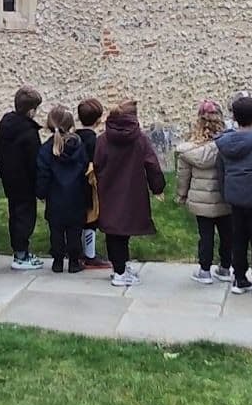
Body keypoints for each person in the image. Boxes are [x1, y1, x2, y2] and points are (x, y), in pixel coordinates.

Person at [94, 100, 165, 287]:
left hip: (108, 189)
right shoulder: (139, 139)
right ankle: (120, 271)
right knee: (123, 230)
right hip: (132, 190)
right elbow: (152, 164)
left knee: (113, 229)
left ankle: (120, 267)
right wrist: (157, 187)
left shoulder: (102, 139)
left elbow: (96, 163)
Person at [214, 95, 252, 297]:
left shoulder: (223, 143)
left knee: (238, 240)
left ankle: (239, 278)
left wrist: (226, 192)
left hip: (234, 198)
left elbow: (220, 170)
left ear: (234, 117)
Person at [175, 100, 233, 284]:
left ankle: (205, 270)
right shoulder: (229, 145)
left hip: (201, 199)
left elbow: (183, 176)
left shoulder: (189, 150)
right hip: (225, 197)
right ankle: (225, 268)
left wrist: (182, 195)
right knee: (227, 235)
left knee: (205, 235)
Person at [36, 103, 91, 273]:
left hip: (55, 197)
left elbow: (43, 173)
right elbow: (85, 171)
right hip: (76, 197)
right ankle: (74, 261)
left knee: (56, 230)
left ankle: (58, 261)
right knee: (75, 230)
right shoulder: (79, 146)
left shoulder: (46, 149)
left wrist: (41, 192)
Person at [0, 86, 45, 271]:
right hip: (25, 182)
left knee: (15, 215)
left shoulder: (6, 125)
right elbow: (34, 161)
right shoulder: (29, 133)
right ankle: (21, 255)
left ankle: (19, 250)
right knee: (25, 218)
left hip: (10, 180)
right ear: (31, 110)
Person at [73, 98, 109, 269]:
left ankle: (76, 250)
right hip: (89, 185)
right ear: (99, 120)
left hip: (72, 184)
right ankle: (90, 254)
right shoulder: (95, 140)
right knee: (90, 220)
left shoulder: (73, 138)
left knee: (77, 219)